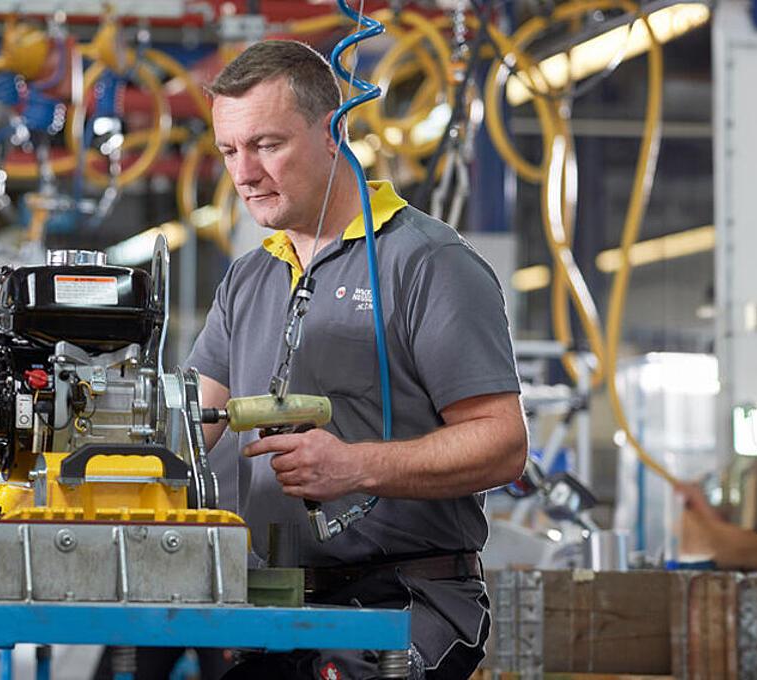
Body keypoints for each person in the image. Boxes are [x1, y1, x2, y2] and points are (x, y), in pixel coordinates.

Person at [190, 40, 529, 679]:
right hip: (275, 604)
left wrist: (353, 466)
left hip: (401, 602)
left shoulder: (427, 263)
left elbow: (503, 444)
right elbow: (193, 423)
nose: (244, 174)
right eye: (229, 151)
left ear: (334, 132)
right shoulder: (249, 278)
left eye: (266, 145)